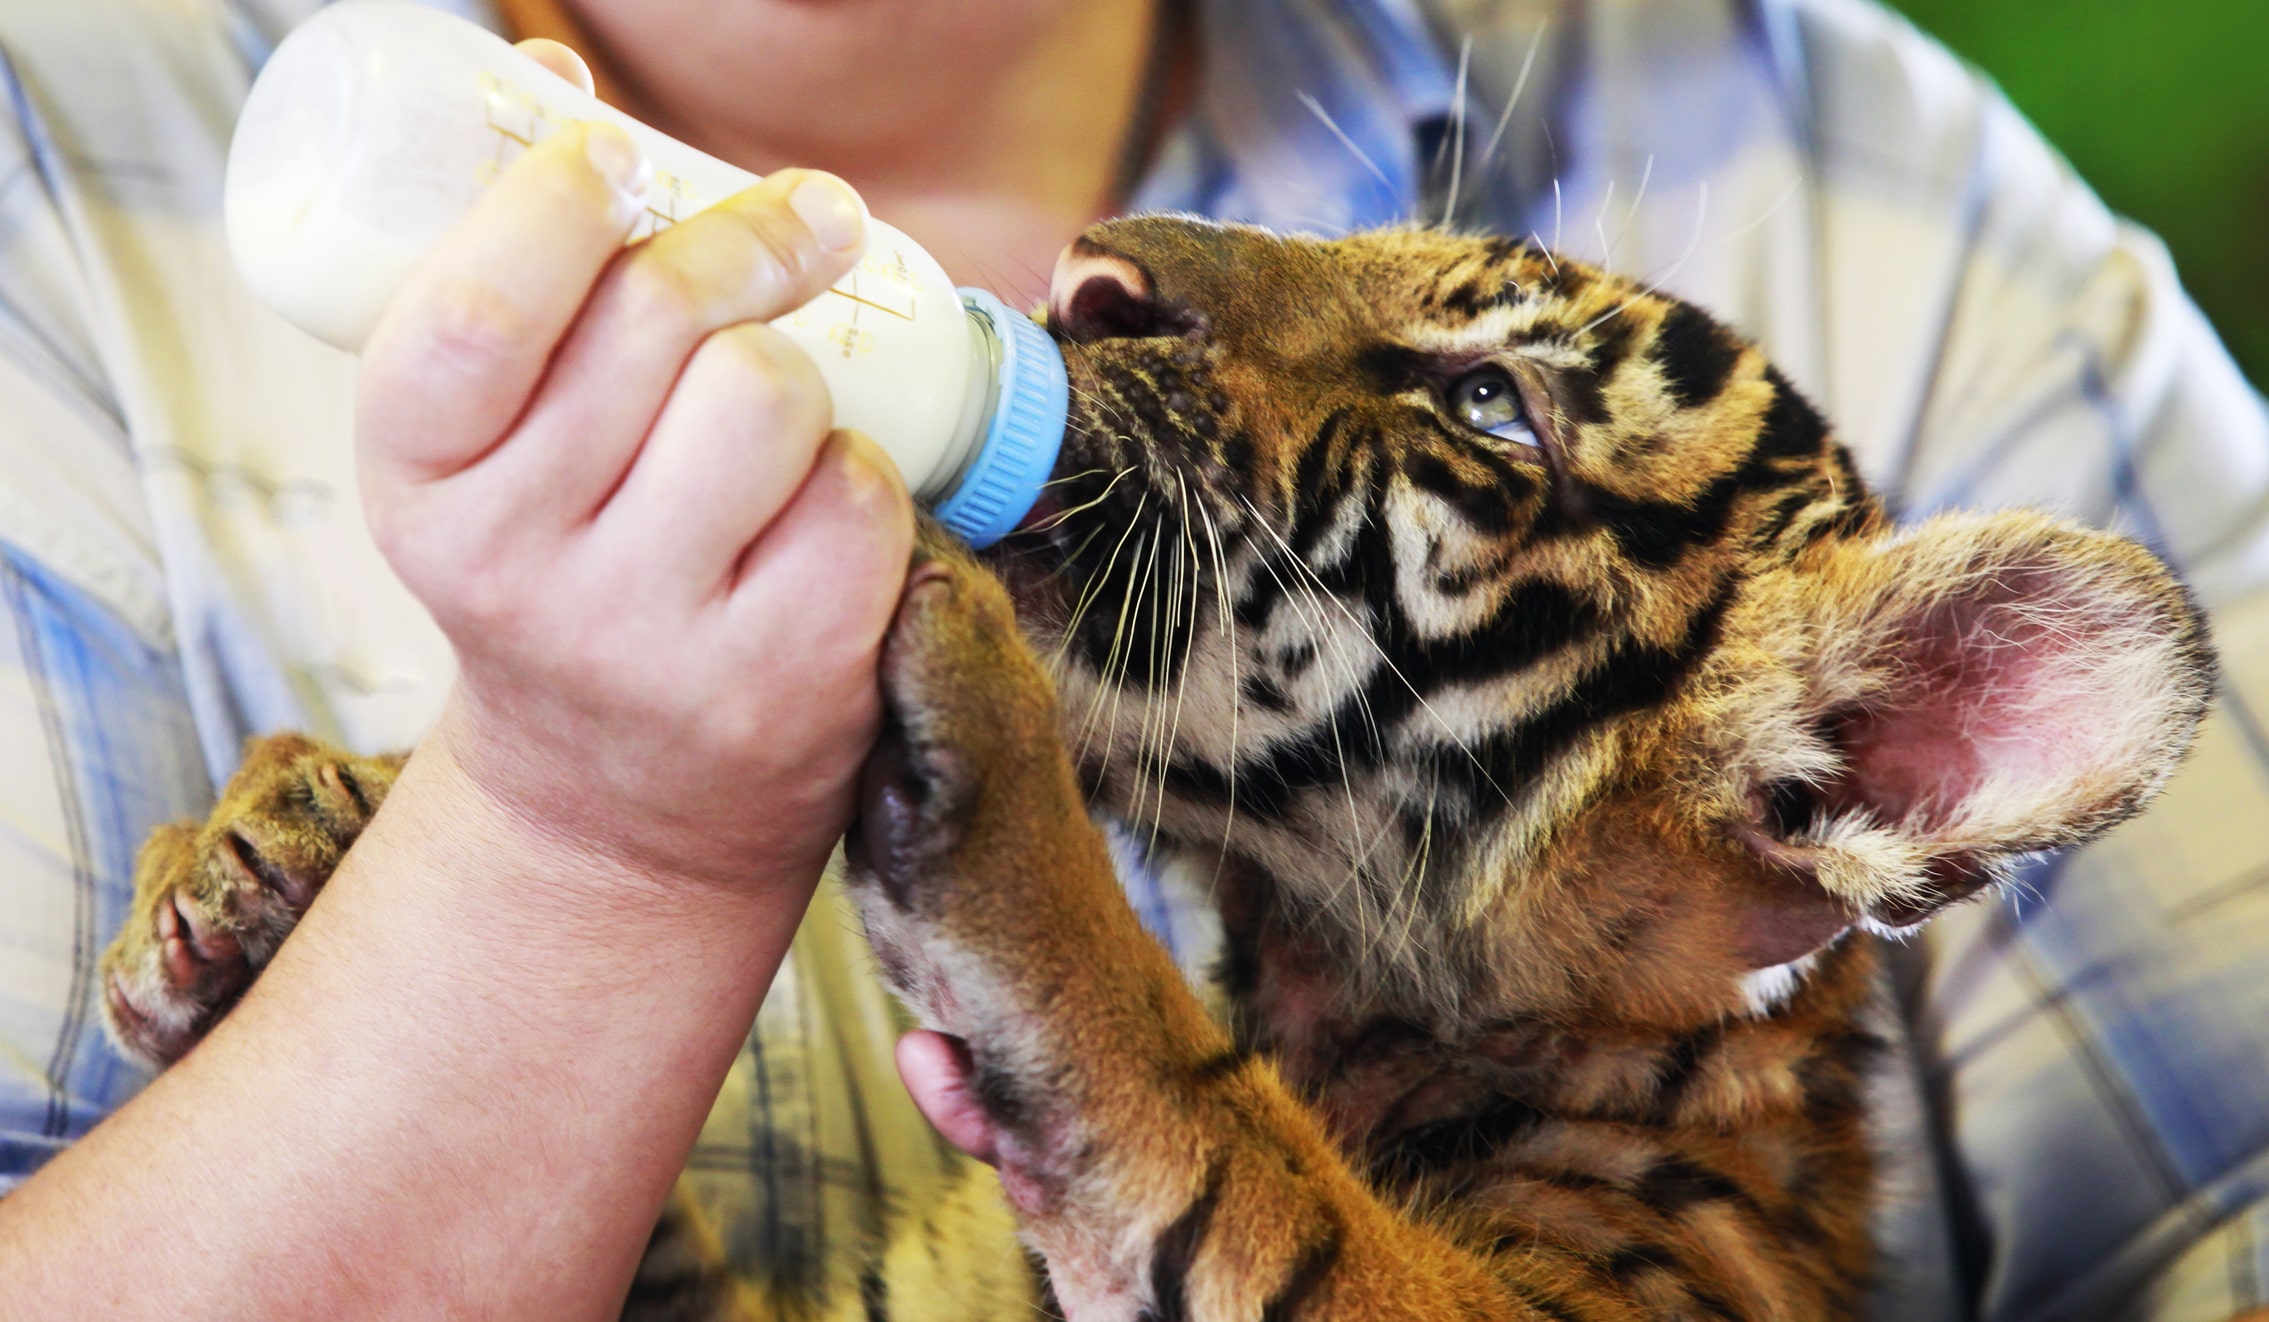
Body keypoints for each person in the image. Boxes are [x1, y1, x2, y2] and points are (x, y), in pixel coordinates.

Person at [0, 0, 2262, 1317]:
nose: (1125, 281)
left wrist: (1069, 997)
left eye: (1475, 404)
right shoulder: (59, 155)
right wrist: (554, 866)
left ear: (1791, 802)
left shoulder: (1861, 164)